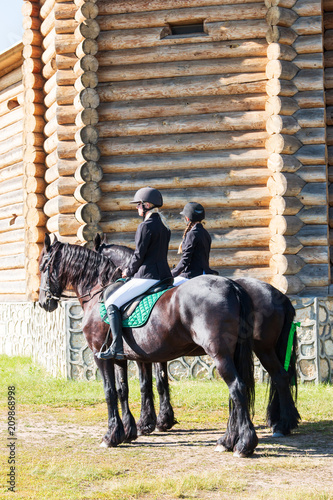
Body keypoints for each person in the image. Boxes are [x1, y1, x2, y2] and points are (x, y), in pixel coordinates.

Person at [97, 187, 172, 360]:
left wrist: (127, 271)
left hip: (148, 276)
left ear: (147, 205)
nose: (137, 208)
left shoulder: (145, 226)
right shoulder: (164, 227)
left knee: (112, 302)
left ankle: (116, 347)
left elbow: (139, 255)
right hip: (164, 275)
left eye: (138, 205)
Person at [172, 202, 218, 286]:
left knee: (167, 288)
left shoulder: (191, 234)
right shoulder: (205, 233)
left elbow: (185, 259)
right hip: (205, 272)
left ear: (187, 218)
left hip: (192, 275)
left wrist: (172, 273)